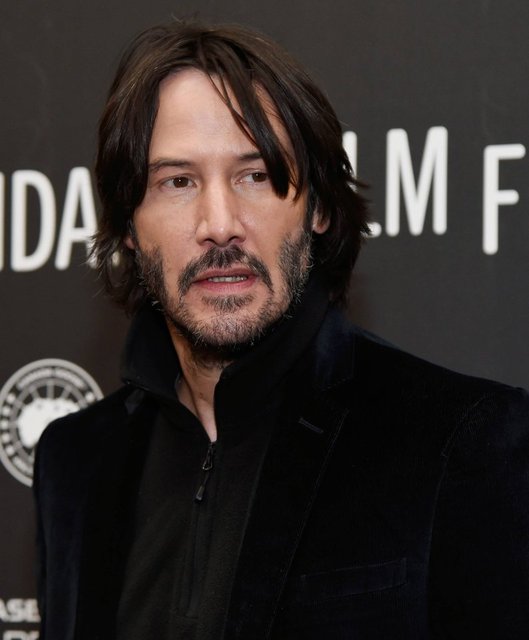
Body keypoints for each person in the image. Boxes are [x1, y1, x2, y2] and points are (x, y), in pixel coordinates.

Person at [33, 20, 529, 640]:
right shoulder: (75, 463)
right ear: (129, 227)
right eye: (177, 182)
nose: (220, 224)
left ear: (318, 207)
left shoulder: (462, 440)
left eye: (257, 175)